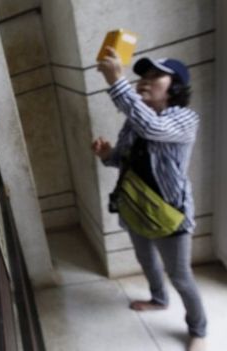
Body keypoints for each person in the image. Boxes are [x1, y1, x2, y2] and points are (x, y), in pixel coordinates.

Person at [92, 47, 207, 351]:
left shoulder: (184, 119)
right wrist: (107, 155)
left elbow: (153, 127)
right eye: (142, 75)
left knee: (181, 277)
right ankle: (158, 299)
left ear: (176, 87)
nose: (144, 80)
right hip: (135, 209)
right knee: (146, 261)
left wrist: (117, 81)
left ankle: (199, 330)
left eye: (156, 76)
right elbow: (123, 159)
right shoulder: (134, 121)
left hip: (171, 215)